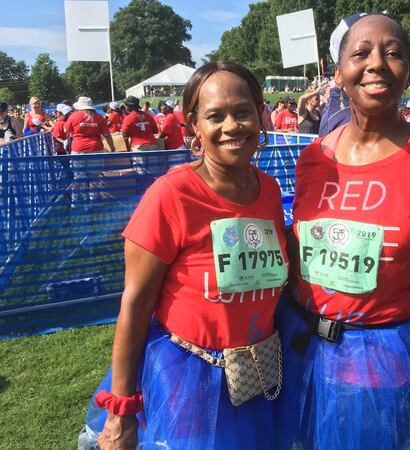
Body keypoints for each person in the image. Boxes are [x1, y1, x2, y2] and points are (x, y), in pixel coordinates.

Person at [276, 13, 410, 450]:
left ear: (408, 71)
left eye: (393, 53)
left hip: (386, 359)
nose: (377, 64)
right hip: (301, 350)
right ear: (338, 73)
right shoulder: (313, 160)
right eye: (361, 53)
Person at [79, 61, 289, 449]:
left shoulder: (271, 191)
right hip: (187, 381)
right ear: (194, 126)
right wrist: (121, 410)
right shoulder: (171, 195)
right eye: (215, 116)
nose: (231, 126)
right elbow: (136, 304)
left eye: (242, 112)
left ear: (260, 114)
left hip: (256, 377)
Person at [63, 96, 115, 205]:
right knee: (94, 177)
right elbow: (107, 135)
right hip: (96, 149)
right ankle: (93, 202)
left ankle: (75, 201)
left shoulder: (74, 116)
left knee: (78, 177)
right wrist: (112, 148)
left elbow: (65, 130)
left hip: (78, 149)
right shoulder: (99, 117)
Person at [121, 95, 159, 176]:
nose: (125, 107)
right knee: (154, 173)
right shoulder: (148, 116)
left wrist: (133, 132)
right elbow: (155, 131)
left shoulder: (128, 118)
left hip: (139, 147)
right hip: (152, 145)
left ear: (130, 106)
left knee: (140, 173)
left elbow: (124, 134)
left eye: (126, 105)